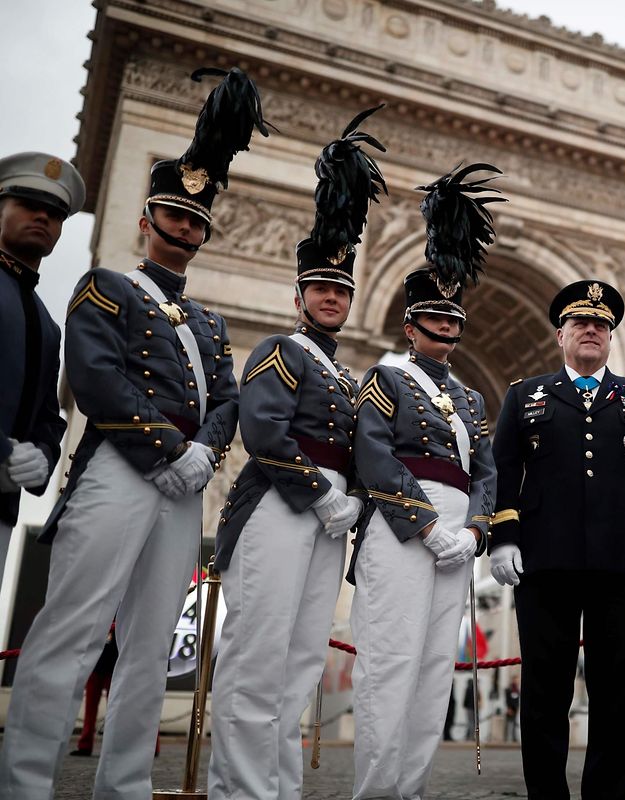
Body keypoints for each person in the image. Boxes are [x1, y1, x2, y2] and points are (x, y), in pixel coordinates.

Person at [0, 67, 267, 800]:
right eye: (173, 218)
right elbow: (96, 378)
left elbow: (227, 397)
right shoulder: (104, 289)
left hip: (183, 484)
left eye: (195, 223)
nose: (183, 231)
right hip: (119, 465)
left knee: (151, 646)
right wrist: (169, 449)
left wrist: (206, 453)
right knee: (72, 633)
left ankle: (122, 788)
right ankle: (24, 786)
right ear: (145, 221)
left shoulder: (210, 322)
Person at [206, 107, 385, 800]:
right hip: (280, 510)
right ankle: (239, 791)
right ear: (300, 295)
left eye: (343, 289)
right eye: (323, 288)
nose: (334, 298)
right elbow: (266, 434)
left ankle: (276, 789)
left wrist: (356, 504)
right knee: (257, 657)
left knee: (302, 661)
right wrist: (322, 495)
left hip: (327, 518)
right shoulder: (278, 350)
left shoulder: (343, 374)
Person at [490, 278, 625, 800]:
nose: (591, 331)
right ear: (561, 335)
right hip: (543, 561)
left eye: (601, 324)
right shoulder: (522, 395)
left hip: (623, 562)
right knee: (544, 693)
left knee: (621, 692)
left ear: (611, 336)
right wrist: (502, 537)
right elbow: (503, 470)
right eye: (581, 323)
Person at [348, 163, 502, 799]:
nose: (445, 331)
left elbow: (487, 470)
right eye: (433, 323)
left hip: (457, 536)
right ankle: (376, 791)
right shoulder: (385, 380)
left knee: (435, 670)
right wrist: (428, 524)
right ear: (409, 327)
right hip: (400, 527)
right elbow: (374, 456)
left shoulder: (469, 400)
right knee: (389, 662)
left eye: (452, 324)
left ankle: (409, 789)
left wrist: (474, 529)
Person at [0, 151, 84, 592]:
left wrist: (44, 457)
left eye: (54, 214)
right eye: (28, 205)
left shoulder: (49, 325)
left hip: (3, 502)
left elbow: (49, 416)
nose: (41, 217)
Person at [506, 678, 522, 742]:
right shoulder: (509, 689)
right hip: (510, 708)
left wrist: (518, 708)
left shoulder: (517, 690)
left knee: (515, 724)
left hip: (515, 708)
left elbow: (517, 700)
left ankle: (514, 737)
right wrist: (509, 708)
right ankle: (508, 738)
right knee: (509, 723)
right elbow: (507, 699)